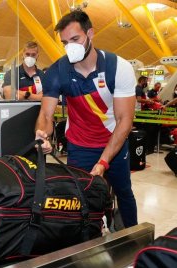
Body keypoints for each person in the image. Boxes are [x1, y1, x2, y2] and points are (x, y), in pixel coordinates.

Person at [35, 11, 138, 228]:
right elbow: (45, 114)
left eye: (75, 39)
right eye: (65, 42)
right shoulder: (56, 71)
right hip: (80, 145)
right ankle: (83, 243)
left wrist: (103, 161)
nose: (70, 47)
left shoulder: (118, 67)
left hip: (114, 142)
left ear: (90, 34)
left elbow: (125, 120)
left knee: (123, 191)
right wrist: (42, 135)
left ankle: (132, 241)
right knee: (78, 197)